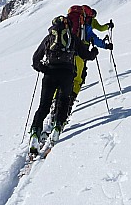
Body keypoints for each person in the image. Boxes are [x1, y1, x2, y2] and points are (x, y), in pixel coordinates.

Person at [29, 15, 97, 152]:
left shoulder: (49, 38)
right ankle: (58, 126)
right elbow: (86, 55)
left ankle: (35, 132)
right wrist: (94, 52)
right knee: (64, 101)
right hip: (67, 73)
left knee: (44, 106)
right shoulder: (73, 38)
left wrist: (43, 68)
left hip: (50, 73)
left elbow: (36, 59)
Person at [65, 4, 114, 109]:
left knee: (63, 77)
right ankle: (70, 100)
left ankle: (55, 100)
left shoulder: (71, 23)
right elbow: (97, 33)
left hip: (67, 53)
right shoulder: (89, 23)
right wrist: (106, 45)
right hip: (82, 53)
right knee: (79, 78)